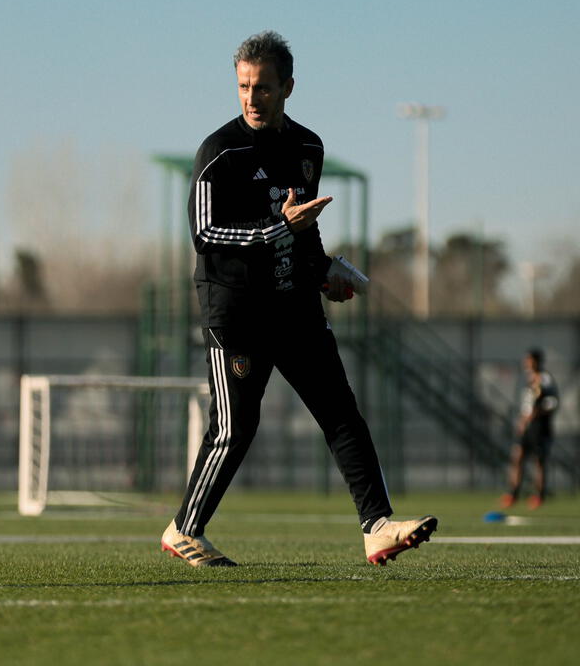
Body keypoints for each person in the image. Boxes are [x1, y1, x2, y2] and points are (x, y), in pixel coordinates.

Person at [161, 31, 437, 567]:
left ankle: (377, 526)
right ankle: (184, 528)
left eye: (262, 87)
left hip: (293, 306)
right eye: (243, 86)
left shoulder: (308, 148)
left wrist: (323, 271)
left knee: (341, 413)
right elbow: (204, 233)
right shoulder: (218, 152)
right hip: (235, 310)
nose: (251, 97)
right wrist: (273, 231)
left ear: (288, 87)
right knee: (236, 426)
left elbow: (302, 230)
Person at [500, 348, 559, 510]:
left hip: (540, 426)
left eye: (530, 360)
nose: (526, 363)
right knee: (517, 456)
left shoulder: (545, 379)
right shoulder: (528, 378)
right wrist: (522, 420)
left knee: (538, 461)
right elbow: (527, 404)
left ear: (537, 361)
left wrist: (536, 413)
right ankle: (513, 493)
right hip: (527, 426)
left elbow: (552, 402)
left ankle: (539, 495)